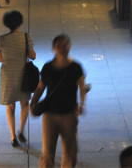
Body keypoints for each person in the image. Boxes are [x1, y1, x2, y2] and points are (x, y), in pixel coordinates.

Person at [30, 34, 88, 168]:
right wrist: (33, 102)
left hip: (69, 115)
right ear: (54, 49)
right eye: (59, 46)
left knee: (70, 153)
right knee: (47, 154)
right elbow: (40, 88)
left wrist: (82, 103)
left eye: (65, 45)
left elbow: (82, 86)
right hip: (50, 115)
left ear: (70, 46)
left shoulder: (75, 67)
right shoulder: (48, 67)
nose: (62, 48)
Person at [0, 10, 35, 147]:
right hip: (23, 75)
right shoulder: (26, 37)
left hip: (7, 76)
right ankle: (21, 130)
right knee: (24, 104)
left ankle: (13, 136)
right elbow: (33, 56)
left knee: (10, 106)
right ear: (20, 23)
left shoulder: (1, 39)